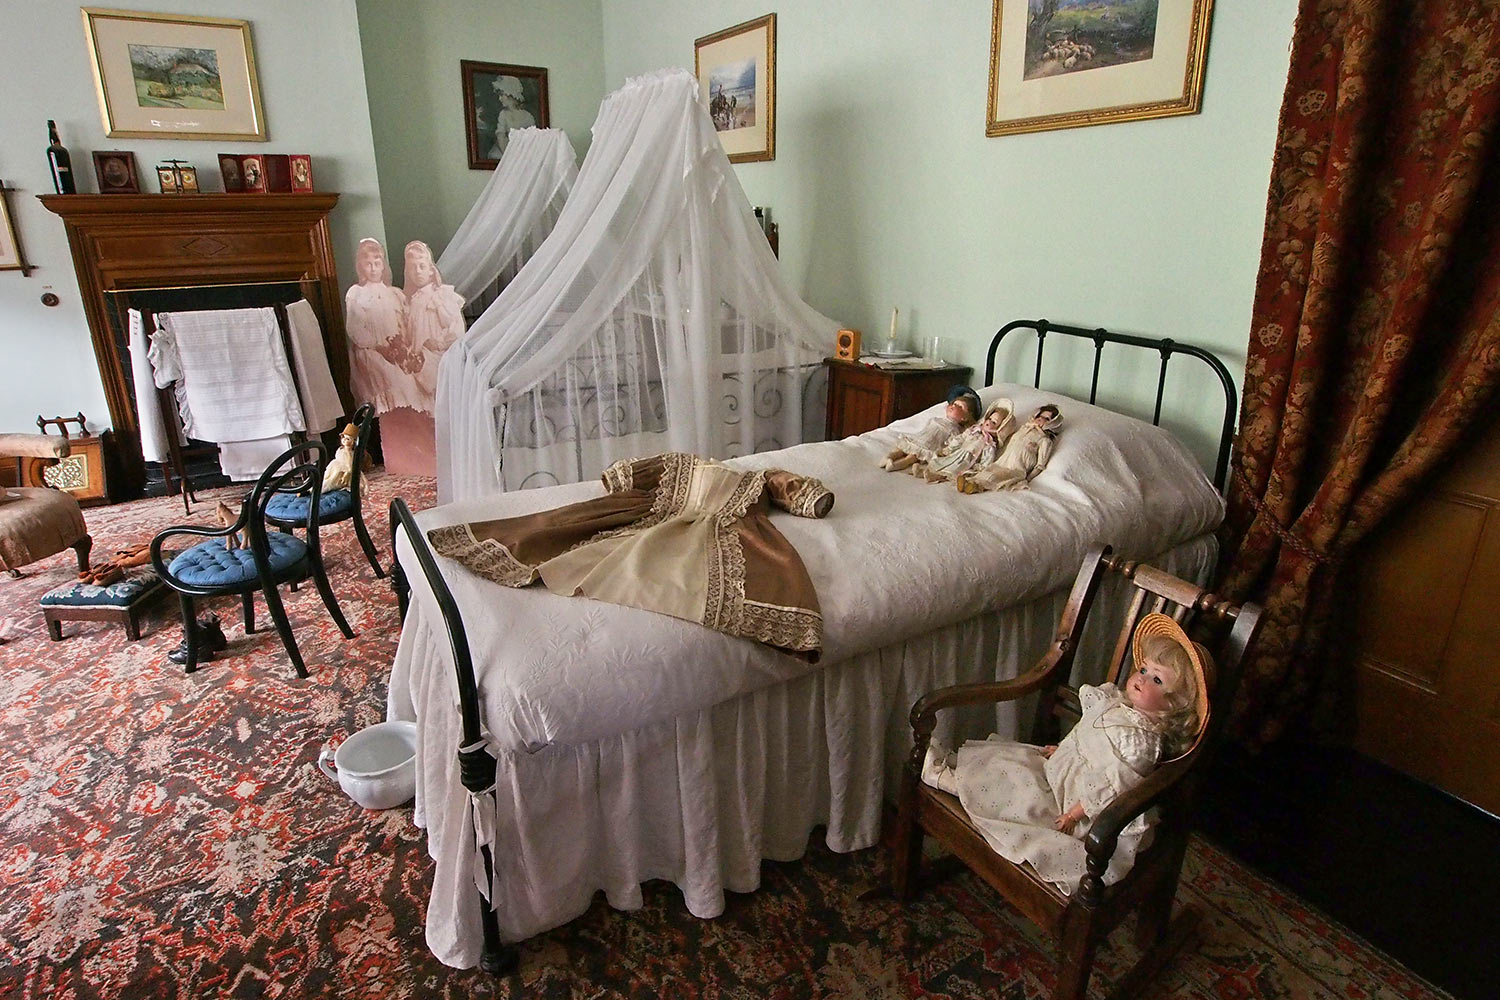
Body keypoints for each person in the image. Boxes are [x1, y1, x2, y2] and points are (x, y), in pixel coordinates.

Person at [920, 612, 1210, 893]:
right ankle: (954, 769)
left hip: (1080, 801)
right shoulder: (1119, 705)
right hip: (1062, 769)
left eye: (1156, 680)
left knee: (1017, 791)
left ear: (1174, 705)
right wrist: (1064, 747)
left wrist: (1075, 813)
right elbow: (1090, 734)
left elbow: (1114, 787)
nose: (1141, 678)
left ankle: (946, 778)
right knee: (1007, 760)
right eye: (1144, 669)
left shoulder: (1140, 742)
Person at [344, 238, 420, 414]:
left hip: (395, 350)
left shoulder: (394, 294)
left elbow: (405, 325)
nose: (372, 268)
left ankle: (410, 428)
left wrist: (401, 347)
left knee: (412, 382)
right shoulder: (357, 293)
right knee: (393, 382)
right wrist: (381, 348)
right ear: (361, 267)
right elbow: (355, 329)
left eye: (377, 263)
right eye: (368, 264)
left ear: (383, 266)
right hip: (371, 351)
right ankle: (387, 427)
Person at [402, 240, 466, 410]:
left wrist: (437, 343)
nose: (418, 272)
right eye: (413, 267)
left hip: (439, 357)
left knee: (443, 400)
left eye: (422, 266)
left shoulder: (440, 296)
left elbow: (456, 329)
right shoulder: (411, 301)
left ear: (431, 270)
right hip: (419, 361)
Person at [955, 403, 1062, 492]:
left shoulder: (1044, 440)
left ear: (1052, 424)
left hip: (1017, 468)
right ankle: (969, 482)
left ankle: (977, 487)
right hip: (1003, 461)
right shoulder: (1023, 429)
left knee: (996, 478)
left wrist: (1029, 478)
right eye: (1040, 416)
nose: (1041, 419)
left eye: (1046, 419)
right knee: (988, 471)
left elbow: (1040, 464)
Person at [880, 385, 982, 471]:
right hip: (920, 437)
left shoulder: (955, 430)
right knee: (902, 448)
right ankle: (889, 457)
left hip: (930, 445)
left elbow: (952, 444)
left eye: (960, 407)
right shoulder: (937, 419)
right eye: (954, 404)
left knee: (913, 457)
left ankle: (896, 465)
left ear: (965, 417)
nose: (954, 406)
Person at [913, 397, 1016, 483]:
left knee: (954, 470)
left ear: (1000, 429)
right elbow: (960, 438)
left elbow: (987, 458)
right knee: (942, 462)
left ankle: (935, 476)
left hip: (968, 460)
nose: (989, 422)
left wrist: (980, 466)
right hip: (958, 452)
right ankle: (924, 471)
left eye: (994, 423)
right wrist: (950, 448)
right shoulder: (973, 430)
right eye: (989, 419)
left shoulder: (989, 443)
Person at [485, 76, 537, 158]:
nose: (500, 98)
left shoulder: (527, 116)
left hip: (523, 152)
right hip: (506, 150)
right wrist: (508, 155)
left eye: (502, 95)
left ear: (510, 94)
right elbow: (500, 135)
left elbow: (533, 140)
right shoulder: (503, 114)